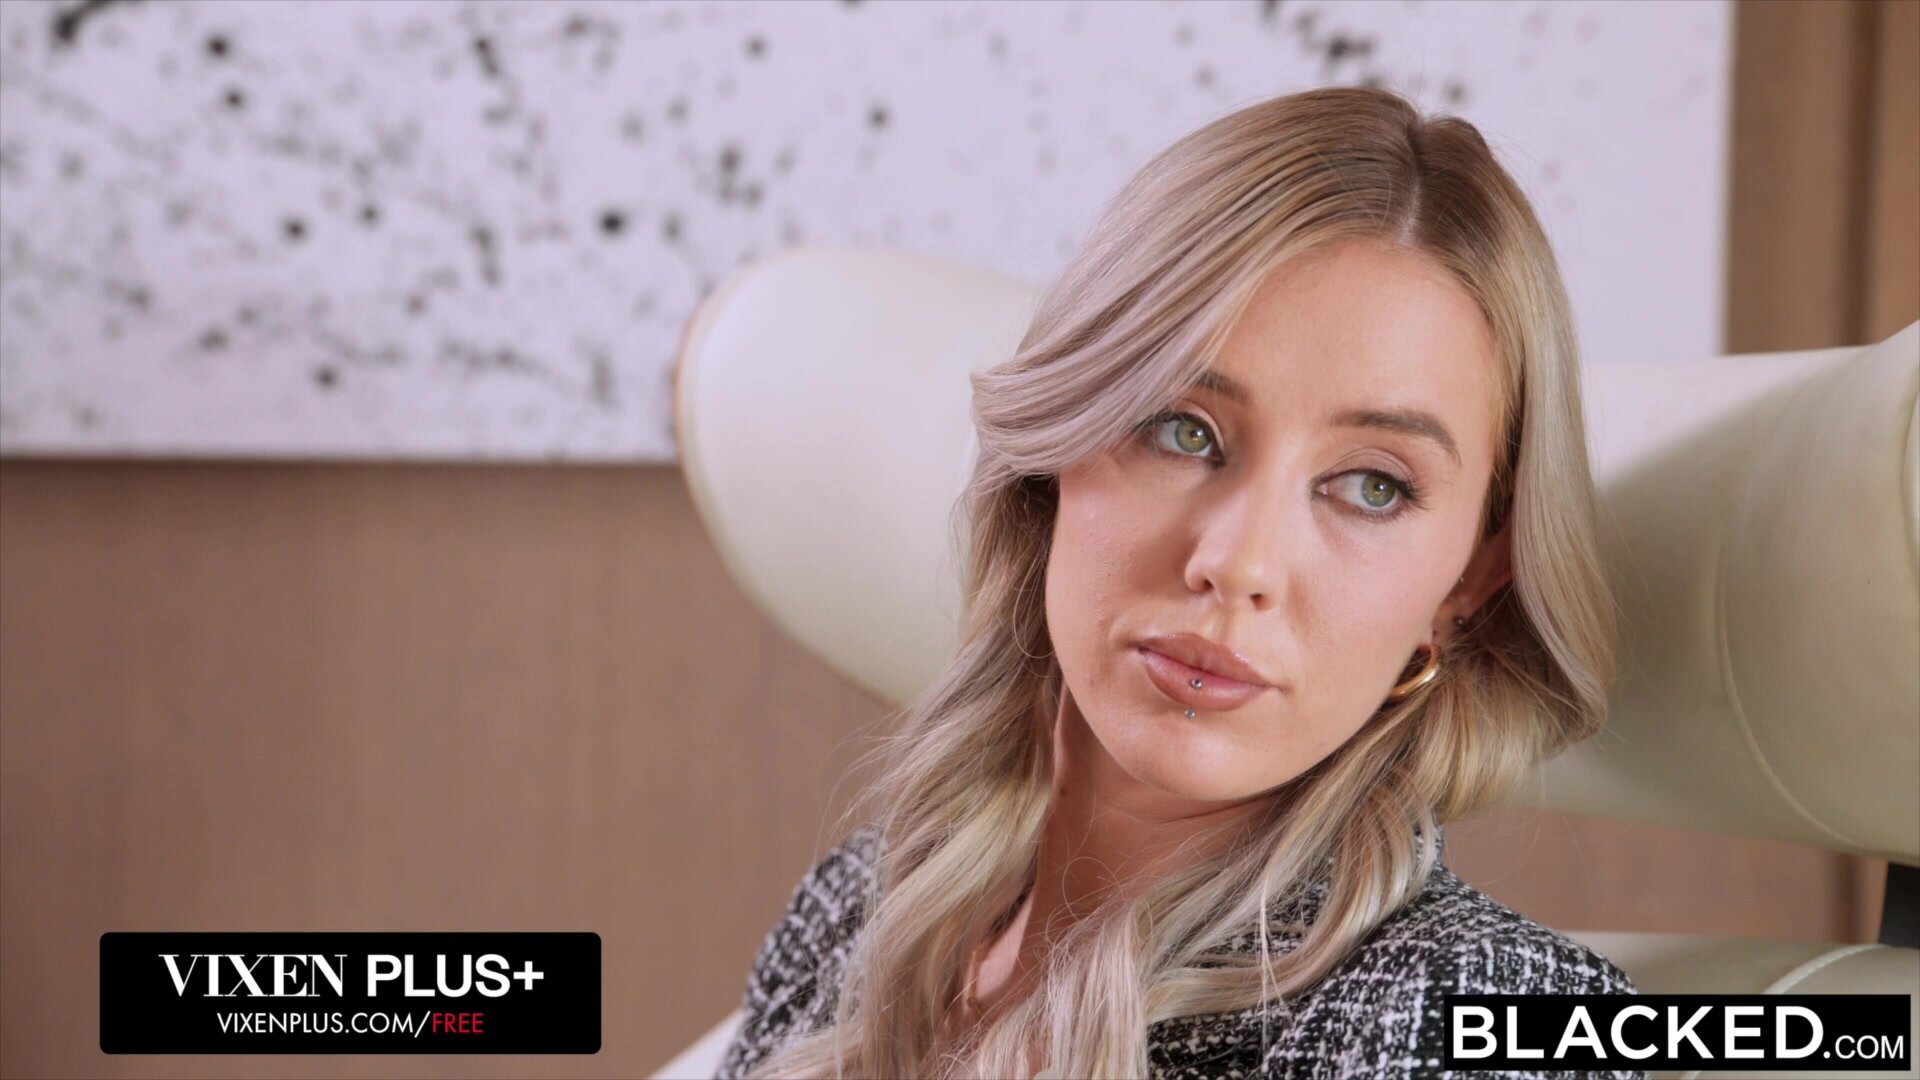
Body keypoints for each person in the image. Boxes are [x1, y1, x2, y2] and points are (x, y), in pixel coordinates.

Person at [716, 85, 1641, 1080]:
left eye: (1372, 486)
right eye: (1183, 431)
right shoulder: (859, 918)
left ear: (1472, 580)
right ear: (1057, 449)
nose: (1238, 565)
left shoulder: (1486, 1024)